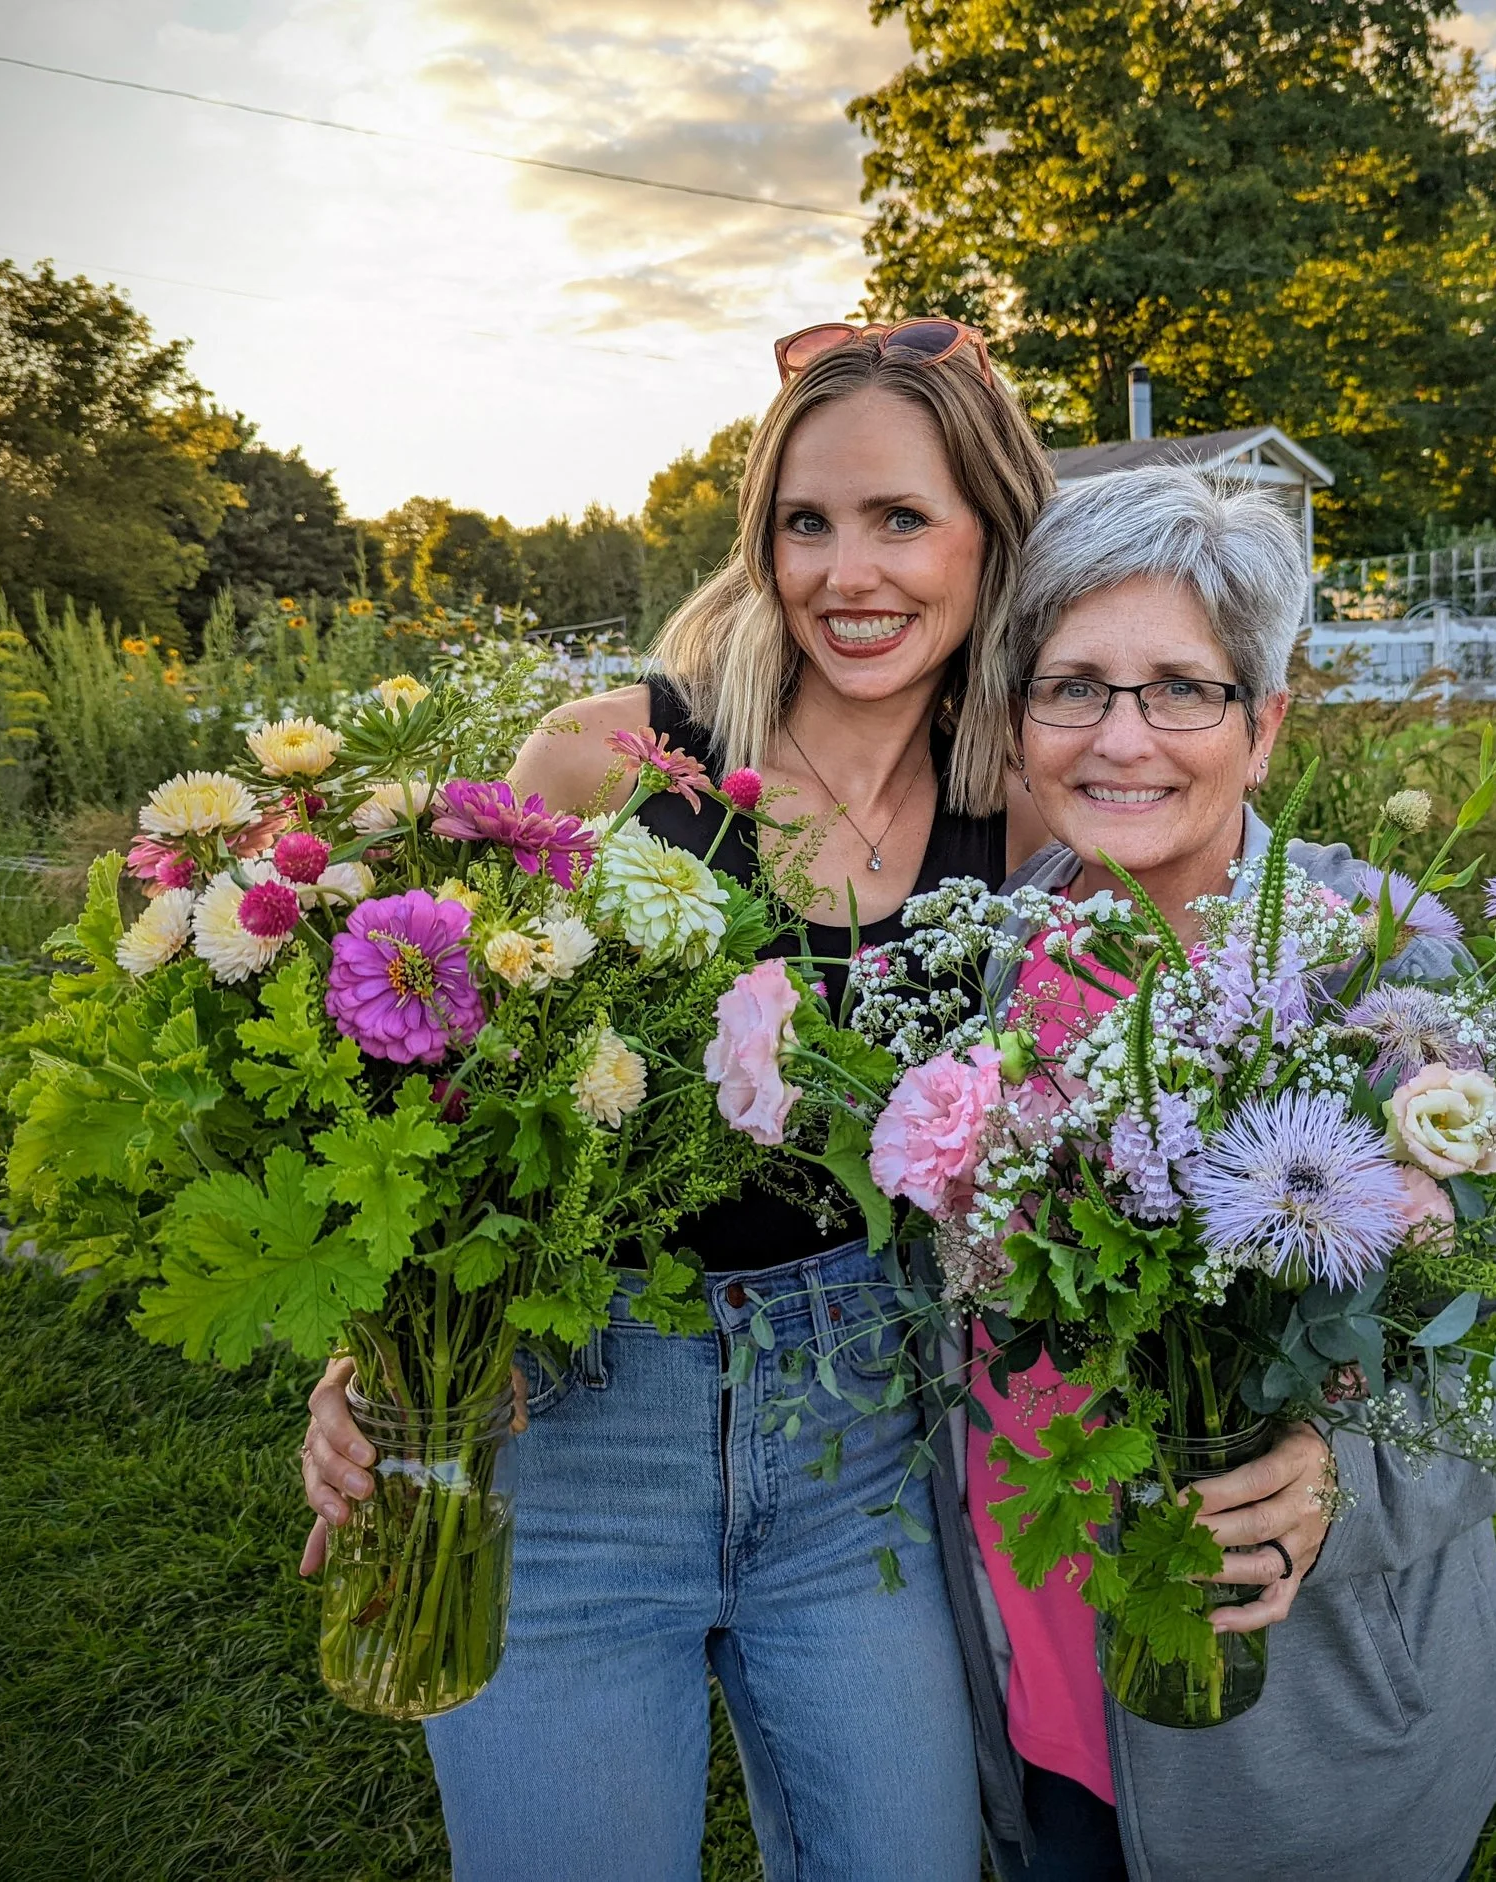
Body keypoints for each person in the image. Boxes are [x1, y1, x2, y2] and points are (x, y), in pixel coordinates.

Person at [298, 319, 1056, 1882]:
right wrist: (373, 1357)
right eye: (808, 520)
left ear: (990, 529)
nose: (850, 571)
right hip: (570, 1429)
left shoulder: (1021, 799)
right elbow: (433, 1103)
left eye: (902, 517)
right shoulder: (606, 762)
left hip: (858, 1448)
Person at [935, 466, 1496, 1882]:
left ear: (1263, 726)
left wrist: (1343, 1477)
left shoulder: (1385, 970)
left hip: (1297, 1754)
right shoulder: (992, 951)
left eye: (1180, 690)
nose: (1121, 736)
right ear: (1019, 727)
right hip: (1037, 1699)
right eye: (1073, 685)